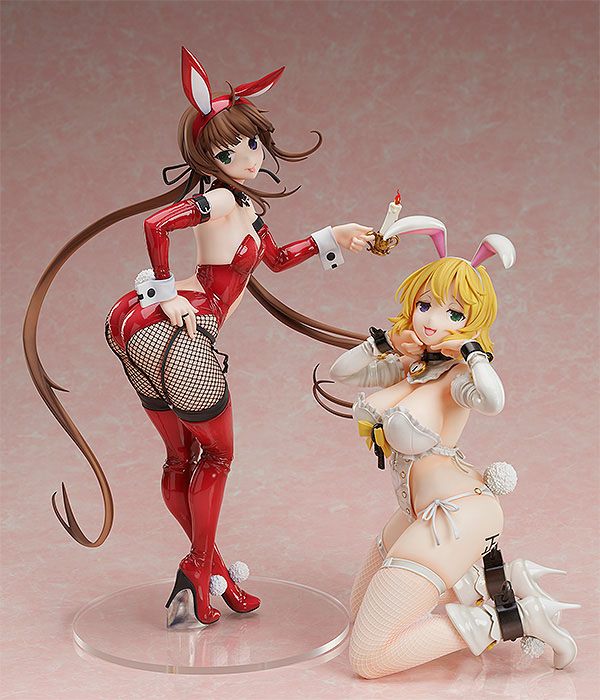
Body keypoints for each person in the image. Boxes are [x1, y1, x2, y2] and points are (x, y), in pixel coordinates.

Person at [23, 47, 373, 627]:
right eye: (229, 151)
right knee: (219, 455)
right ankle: (200, 565)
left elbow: (277, 260)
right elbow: (156, 223)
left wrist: (333, 235)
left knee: (181, 455)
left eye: (252, 144)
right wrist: (167, 292)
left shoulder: (244, 206)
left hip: (135, 326)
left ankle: (213, 572)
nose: (247, 158)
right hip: (180, 330)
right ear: (208, 157)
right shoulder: (219, 197)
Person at [327, 215, 578, 677]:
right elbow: (341, 372)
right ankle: (495, 583)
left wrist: (474, 355)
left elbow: (494, 401)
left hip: (455, 515)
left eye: (454, 314)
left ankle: (513, 618)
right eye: (425, 305)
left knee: (368, 657)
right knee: (359, 611)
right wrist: (385, 341)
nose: (432, 320)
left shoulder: (458, 378)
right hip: (415, 511)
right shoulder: (411, 366)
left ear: (470, 323)